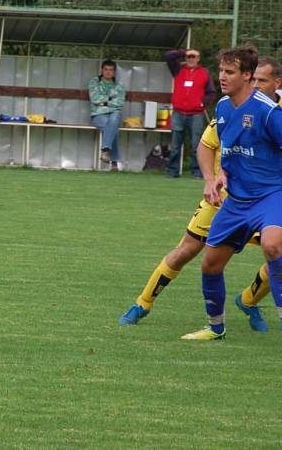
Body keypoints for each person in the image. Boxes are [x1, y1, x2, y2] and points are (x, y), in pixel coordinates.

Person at [119, 117, 269, 331]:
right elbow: (205, 146)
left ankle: (248, 301)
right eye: (256, 80)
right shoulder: (229, 110)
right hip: (219, 202)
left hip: (260, 205)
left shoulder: (274, 116)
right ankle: (142, 304)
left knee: (277, 254)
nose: (257, 84)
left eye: (262, 80)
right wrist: (209, 180)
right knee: (186, 251)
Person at [182, 45, 282, 340]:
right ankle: (215, 327)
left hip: (271, 195)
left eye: (230, 72)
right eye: (221, 71)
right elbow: (227, 150)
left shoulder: (268, 112)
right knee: (210, 265)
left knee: (273, 244)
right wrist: (214, 177)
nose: (222, 77)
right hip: (236, 200)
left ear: (248, 76)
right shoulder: (224, 108)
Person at [163, 48, 217, 178]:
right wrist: (184, 52)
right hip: (178, 112)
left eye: (194, 56)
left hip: (196, 113)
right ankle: (173, 171)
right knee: (175, 144)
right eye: (189, 56)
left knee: (196, 145)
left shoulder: (204, 73)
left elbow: (211, 92)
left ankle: (197, 171)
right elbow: (168, 56)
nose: (191, 59)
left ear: (198, 59)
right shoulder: (178, 69)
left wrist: (202, 103)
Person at [88, 59, 126, 171]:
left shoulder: (119, 85)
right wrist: (111, 100)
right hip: (98, 115)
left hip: (114, 113)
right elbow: (95, 99)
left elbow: (120, 102)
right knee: (113, 128)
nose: (108, 72)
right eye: (106, 69)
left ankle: (105, 151)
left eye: (111, 70)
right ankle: (114, 162)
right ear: (101, 70)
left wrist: (103, 102)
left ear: (114, 72)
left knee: (114, 119)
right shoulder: (94, 82)